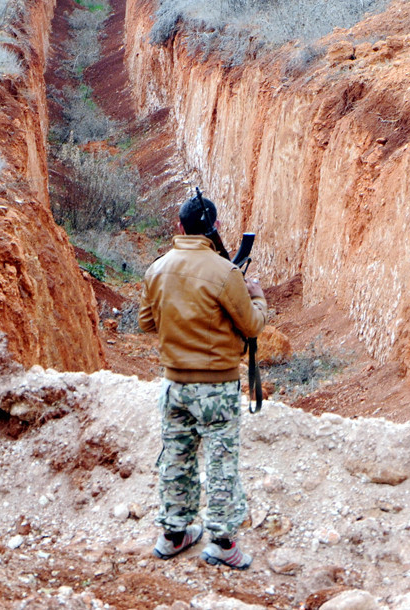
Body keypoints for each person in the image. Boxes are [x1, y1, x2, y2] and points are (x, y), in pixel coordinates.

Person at [139, 193, 267, 570]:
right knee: (221, 461)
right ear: (216, 228)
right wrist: (258, 298)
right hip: (217, 387)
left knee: (176, 457)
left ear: (179, 227)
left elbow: (147, 323)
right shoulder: (224, 272)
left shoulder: (157, 269)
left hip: (174, 384)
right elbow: (251, 325)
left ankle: (173, 535)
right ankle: (223, 544)